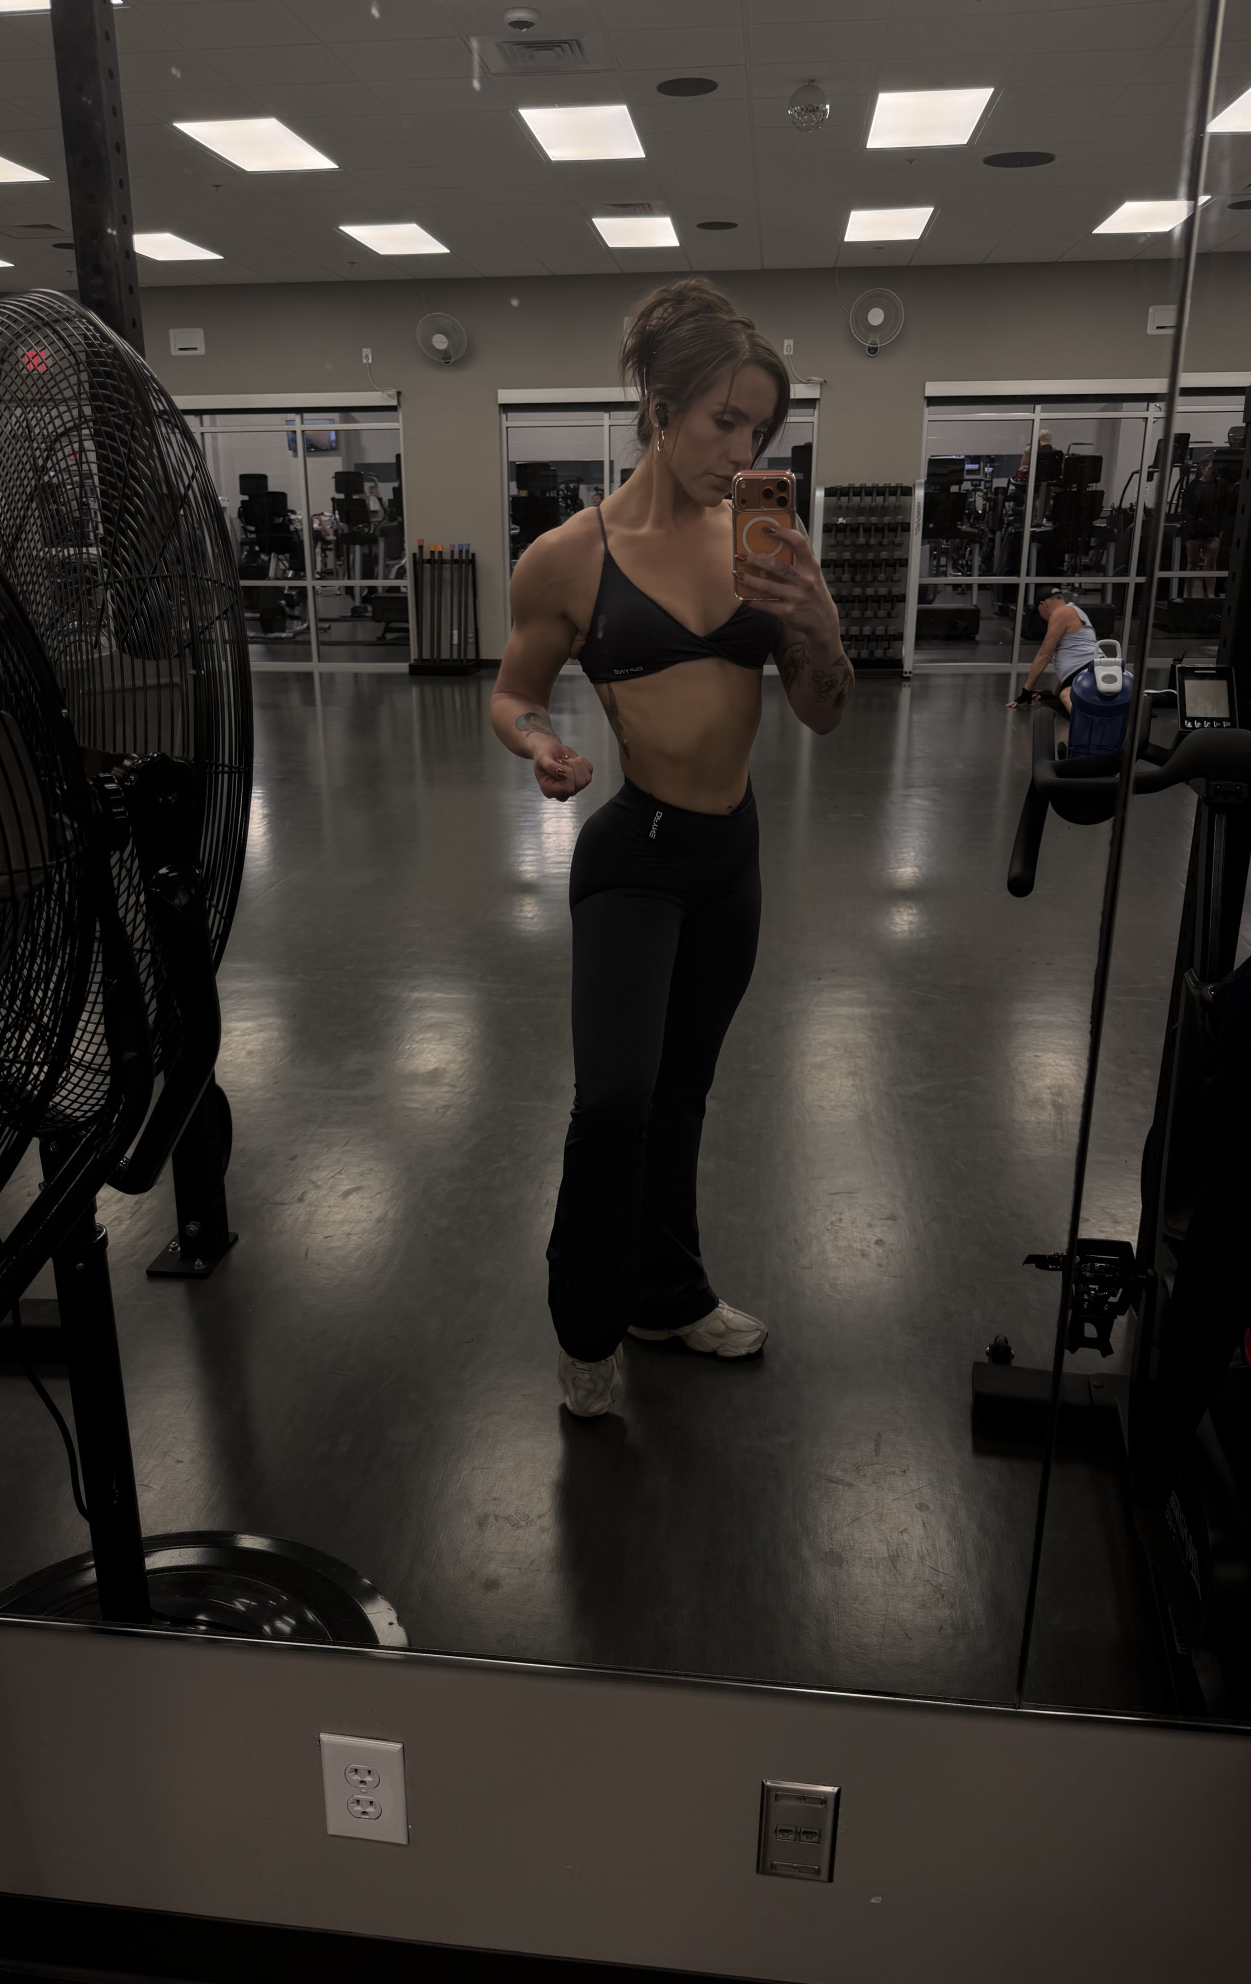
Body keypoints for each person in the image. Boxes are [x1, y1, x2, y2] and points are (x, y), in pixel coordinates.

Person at [488, 279, 854, 1419]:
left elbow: (823, 712)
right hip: (635, 857)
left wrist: (818, 619)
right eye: (724, 423)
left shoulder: (764, 546)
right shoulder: (568, 558)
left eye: (762, 432)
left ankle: (668, 1295)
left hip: (730, 861)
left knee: (684, 1094)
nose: (743, 453)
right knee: (615, 1102)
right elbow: (510, 693)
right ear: (660, 408)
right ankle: (587, 1327)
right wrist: (540, 741)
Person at [1008, 587, 1098, 710]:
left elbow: (1044, 655)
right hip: (1090, 669)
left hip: (1088, 670)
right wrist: (1053, 692)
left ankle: (1088, 722)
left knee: (1067, 695)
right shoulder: (1074, 610)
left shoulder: (1061, 612)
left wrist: (1026, 690)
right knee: (1064, 694)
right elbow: (1073, 660)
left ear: (1043, 605)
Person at [1180, 458, 1227, 599]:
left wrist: (1219, 527)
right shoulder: (1192, 487)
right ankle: (1188, 594)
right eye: (1209, 469)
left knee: (1211, 563)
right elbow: (1186, 508)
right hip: (1194, 529)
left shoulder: (1218, 487)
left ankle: (1210, 593)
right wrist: (1190, 525)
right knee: (1192, 563)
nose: (1211, 472)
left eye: (1213, 470)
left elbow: (1221, 508)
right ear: (1202, 469)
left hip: (1211, 529)